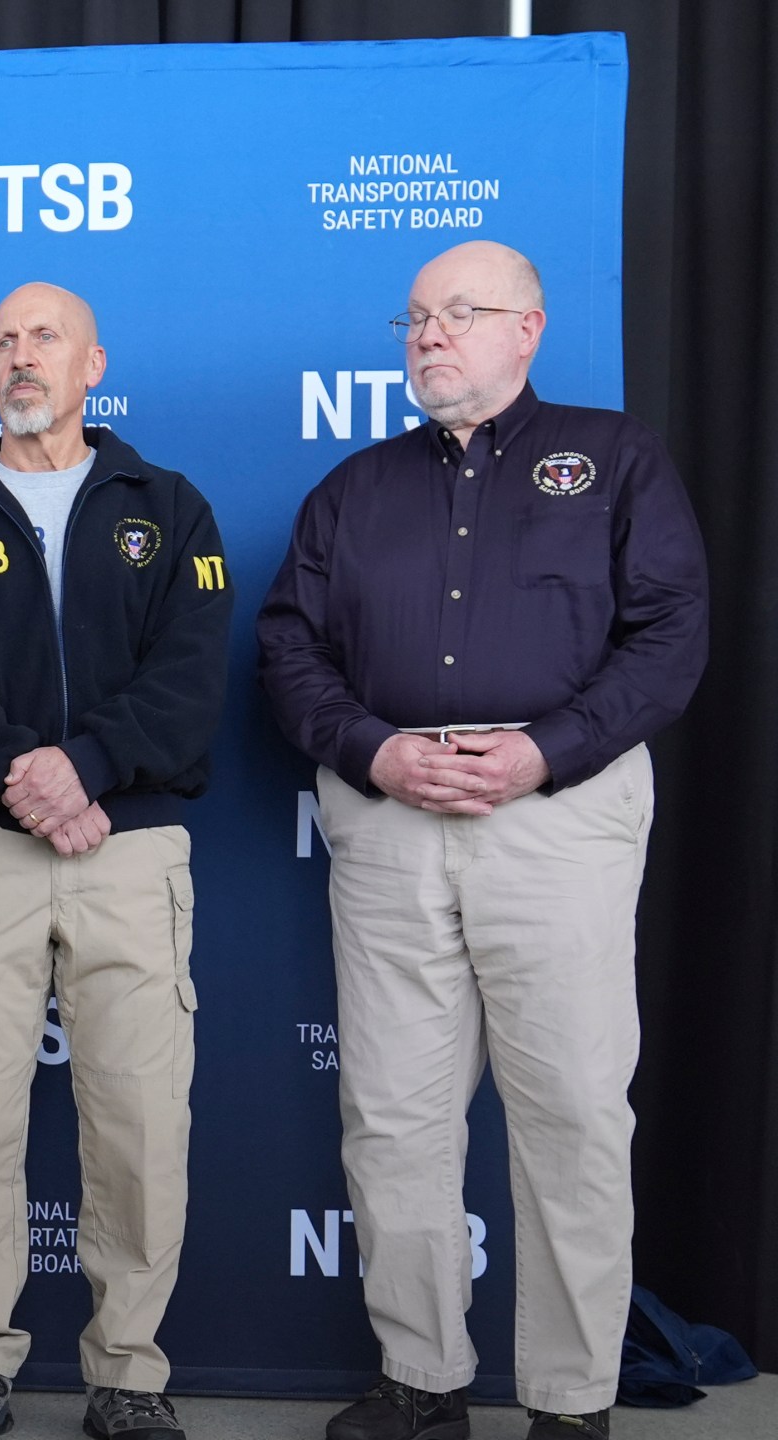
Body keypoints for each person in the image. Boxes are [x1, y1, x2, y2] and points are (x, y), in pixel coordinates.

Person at [258, 240, 708, 1440]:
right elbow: (289, 649)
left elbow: (668, 636)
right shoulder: (352, 490)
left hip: (553, 814)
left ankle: (570, 1400)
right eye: (413, 318)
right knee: (393, 1114)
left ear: (530, 328)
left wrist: (544, 750)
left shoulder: (615, 459)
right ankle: (424, 1379)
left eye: (460, 313)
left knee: (568, 1108)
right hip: (392, 818)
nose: (429, 335)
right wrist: (372, 751)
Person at [0, 284, 232, 1440]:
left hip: (129, 853)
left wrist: (88, 766)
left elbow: (187, 685)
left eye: (44, 340)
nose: (20, 358)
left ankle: (127, 1371)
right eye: (3, 341)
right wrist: (30, 778)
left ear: (93, 366)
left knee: (137, 1117)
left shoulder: (167, 510)